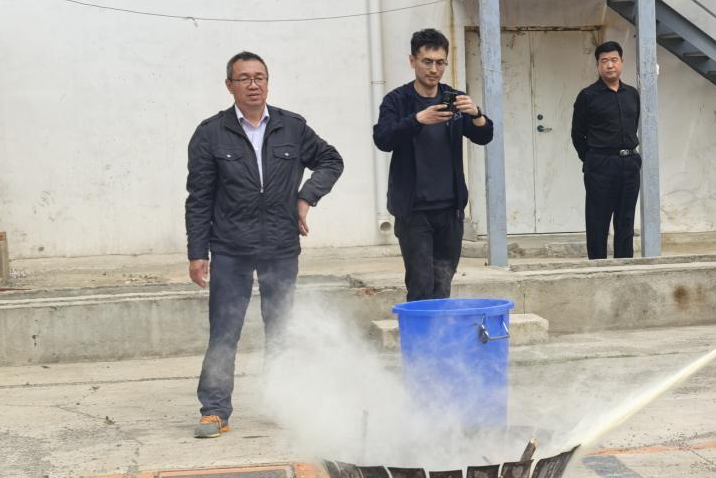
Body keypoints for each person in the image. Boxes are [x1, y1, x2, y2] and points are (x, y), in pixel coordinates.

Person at [186, 52, 343, 439]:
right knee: (225, 330)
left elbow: (331, 160)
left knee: (281, 328)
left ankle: (283, 403)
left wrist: (306, 196)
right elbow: (199, 198)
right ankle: (215, 410)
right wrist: (197, 253)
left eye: (259, 77)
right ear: (230, 86)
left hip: (280, 244)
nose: (253, 84)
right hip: (231, 247)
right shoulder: (210, 133)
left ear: (268, 83)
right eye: (244, 78)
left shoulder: (292, 126)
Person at [373, 29, 494, 301]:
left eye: (440, 62)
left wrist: (477, 114)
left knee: (442, 284)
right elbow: (383, 138)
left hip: (450, 210)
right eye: (427, 61)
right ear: (412, 61)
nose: (434, 69)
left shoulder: (453, 98)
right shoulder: (397, 100)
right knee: (421, 284)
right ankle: (418, 331)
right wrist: (418, 120)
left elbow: (484, 136)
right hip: (413, 209)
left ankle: (440, 330)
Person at [571, 41, 641, 260]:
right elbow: (577, 135)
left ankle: (624, 266)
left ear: (622, 62)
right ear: (598, 65)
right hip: (601, 166)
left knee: (626, 221)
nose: (610, 65)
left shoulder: (632, 94)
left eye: (614, 60)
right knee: (598, 221)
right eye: (604, 61)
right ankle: (598, 268)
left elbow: (634, 124)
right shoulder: (588, 96)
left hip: (629, 164)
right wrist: (593, 158)